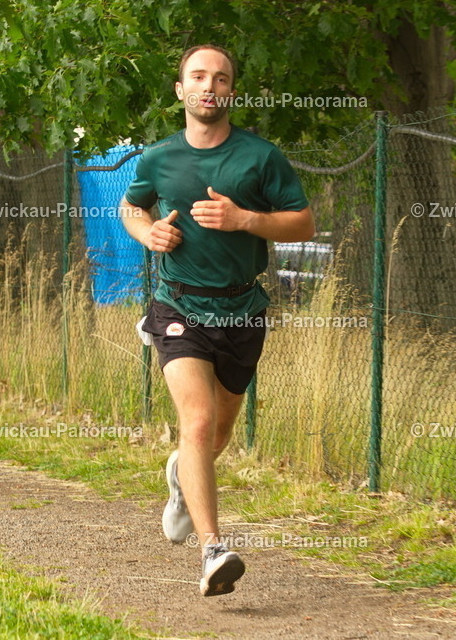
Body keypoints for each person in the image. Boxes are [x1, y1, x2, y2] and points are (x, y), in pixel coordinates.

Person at [119, 44, 315, 596]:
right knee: (199, 422)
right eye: (198, 77)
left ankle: (182, 481)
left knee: (219, 431)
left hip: (243, 311)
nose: (210, 85)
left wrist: (244, 218)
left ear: (231, 92)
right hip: (177, 303)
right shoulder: (157, 159)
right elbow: (134, 207)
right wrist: (147, 233)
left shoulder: (261, 157)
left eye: (221, 78)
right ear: (180, 90)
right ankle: (213, 549)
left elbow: (302, 223)